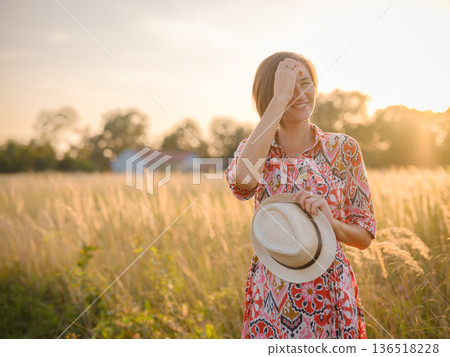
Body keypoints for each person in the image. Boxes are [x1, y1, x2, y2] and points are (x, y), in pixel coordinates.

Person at [225, 51, 377, 339]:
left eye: (305, 83)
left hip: (330, 292)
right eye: (288, 86)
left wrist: (333, 226)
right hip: (272, 292)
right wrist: (280, 100)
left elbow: (365, 236)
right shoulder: (254, 148)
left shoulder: (343, 149)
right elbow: (242, 183)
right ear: (269, 96)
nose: (301, 94)